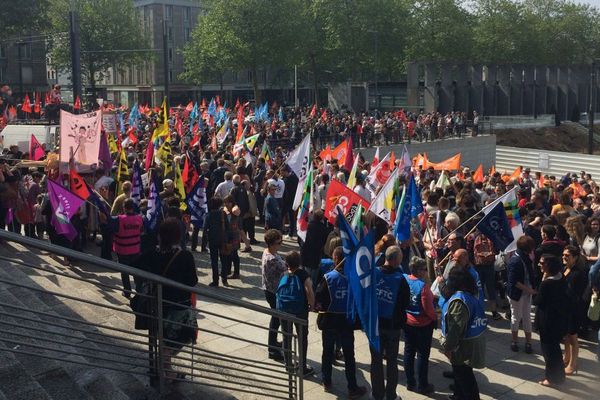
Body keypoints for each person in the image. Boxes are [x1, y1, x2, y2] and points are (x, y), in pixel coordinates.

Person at [135, 218, 198, 382]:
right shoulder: (185, 256)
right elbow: (192, 281)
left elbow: (136, 265)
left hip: (160, 306)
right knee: (176, 339)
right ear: (178, 236)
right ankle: (164, 369)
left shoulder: (153, 254)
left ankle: (166, 369)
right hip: (179, 308)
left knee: (164, 339)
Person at [315, 246, 367, 398]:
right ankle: (352, 387)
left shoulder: (328, 277)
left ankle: (326, 381)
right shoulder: (355, 279)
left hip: (330, 321)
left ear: (336, 259)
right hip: (346, 322)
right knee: (349, 355)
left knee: (327, 352)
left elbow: (319, 299)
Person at [370, 245, 410, 400]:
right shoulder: (401, 280)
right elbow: (405, 303)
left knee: (376, 361)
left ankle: (377, 395)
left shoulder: (374, 274)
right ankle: (391, 395)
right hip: (392, 327)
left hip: (375, 325)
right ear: (396, 260)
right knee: (392, 362)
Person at [441, 267, 487, 400]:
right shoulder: (468, 294)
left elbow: (455, 329)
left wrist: (448, 347)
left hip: (463, 346)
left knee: (465, 378)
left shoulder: (458, 300)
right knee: (462, 374)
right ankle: (459, 396)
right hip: (471, 341)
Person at [276, 251, 315, 376]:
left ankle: (288, 365)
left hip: (284, 309)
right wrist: (312, 305)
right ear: (299, 262)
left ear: (286, 263)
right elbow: (309, 290)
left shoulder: (283, 274)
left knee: (286, 336)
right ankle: (303, 367)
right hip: (300, 310)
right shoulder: (304, 274)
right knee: (302, 337)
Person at [534, 254, 569, 387]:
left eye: (542, 263)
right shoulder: (561, 277)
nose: (539, 265)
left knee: (549, 352)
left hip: (547, 321)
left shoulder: (547, 283)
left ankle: (551, 378)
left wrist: (542, 281)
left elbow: (538, 301)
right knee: (555, 350)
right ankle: (559, 376)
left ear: (549, 265)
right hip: (558, 319)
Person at [403, 256, 436, 395]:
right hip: (422, 325)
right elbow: (429, 309)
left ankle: (410, 382)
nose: (426, 272)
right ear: (419, 271)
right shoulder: (423, 288)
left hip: (407, 321)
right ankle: (423, 384)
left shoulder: (404, 279)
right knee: (422, 355)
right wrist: (435, 319)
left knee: (408, 352)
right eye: (424, 269)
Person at [506, 236, 537, 353]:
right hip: (517, 294)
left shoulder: (525, 257)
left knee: (527, 317)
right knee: (516, 317)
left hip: (526, 293)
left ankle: (528, 342)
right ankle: (514, 341)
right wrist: (531, 290)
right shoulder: (515, 260)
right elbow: (515, 282)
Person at [562, 245, 589, 375]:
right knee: (566, 334)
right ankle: (566, 357)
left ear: (575, 257)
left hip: (574, 308)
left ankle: (573, 364)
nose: (564, 257)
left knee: (573, 336)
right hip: (565, 307)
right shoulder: (566, 268)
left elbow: (575, 293)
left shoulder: (578, 273)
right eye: (563, 255)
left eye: (567, 256)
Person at [261, 229, 287, 361]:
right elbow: (286, 268)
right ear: (271, 244)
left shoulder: (268, 251)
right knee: (275, 320)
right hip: (273, 292)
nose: (280, 244)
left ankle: (273, 343)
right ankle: (272, 349)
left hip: (270, 289)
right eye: (279, 242)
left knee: (275, 318)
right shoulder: (271, 259)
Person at [202, 197, 228, 287]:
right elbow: (227, 226)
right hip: (223, 239)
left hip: (212, 240)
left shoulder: (208, 215)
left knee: (214, 261)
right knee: (224, 259)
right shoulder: (223, 214)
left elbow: (205, 229)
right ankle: (224, 278)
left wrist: (204, 243)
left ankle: (215, 280)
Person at [223, 195, 242, 279]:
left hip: (234, 235)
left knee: (234, 254)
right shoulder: (225, 209)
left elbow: (237, 211)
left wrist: (234, 208)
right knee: (228, 254)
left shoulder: (235, 210)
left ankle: (236, 273)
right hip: (228, 234)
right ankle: (227, 271)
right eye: (225, 202)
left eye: (228, 202)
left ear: (232, 202)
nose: (226, 204)